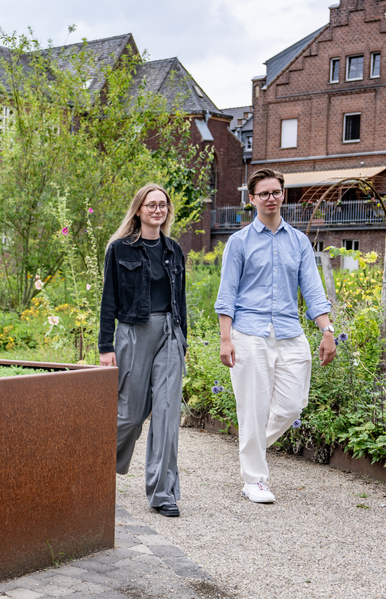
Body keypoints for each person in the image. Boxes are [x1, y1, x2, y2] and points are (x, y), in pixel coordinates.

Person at [214, 168, 337, 503]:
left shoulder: (297, 241)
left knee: (292, 405)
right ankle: (254, 479)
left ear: (284, 195)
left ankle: (250, 449)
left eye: (276, 192)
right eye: (264, 193)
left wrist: (327, 331)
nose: (271, 198)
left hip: (288, 330)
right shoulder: (239, 243)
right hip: (249, 332)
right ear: (252, 199)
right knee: (252, 407)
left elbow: (313, 291)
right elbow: (227, 294)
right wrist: (226, 339)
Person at [99, 184, 188, 517]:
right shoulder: (119, 249)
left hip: (169, 333)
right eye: (151, 205)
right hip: (132, 333)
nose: (157, 210)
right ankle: (93, 468)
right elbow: (109, 300)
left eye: (162, 205)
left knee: (166, 414)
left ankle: (163, 493)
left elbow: (179, 298)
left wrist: (183, 340)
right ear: (138, 210)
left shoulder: (174, 250)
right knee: (130, 416)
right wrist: (105, 345)